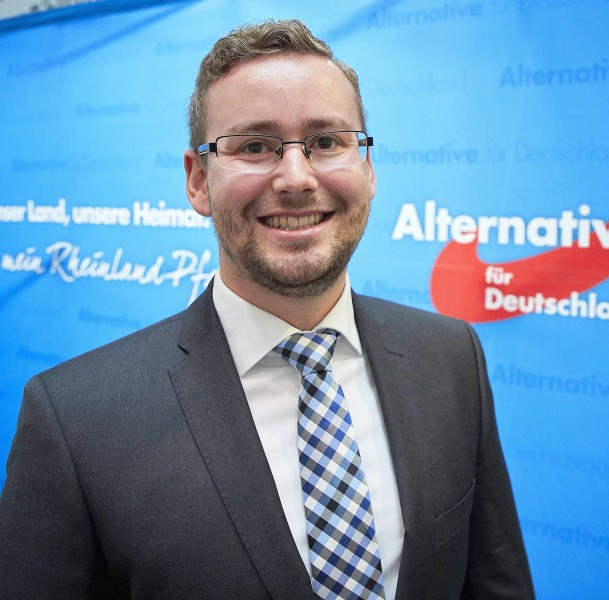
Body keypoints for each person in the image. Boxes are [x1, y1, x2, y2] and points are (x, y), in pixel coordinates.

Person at [0, 18, 534, 600]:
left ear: (368, 167)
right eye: (255, 146)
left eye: (328, 142)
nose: (296, 178)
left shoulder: (451, 356)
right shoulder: (75, 421)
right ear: (198, 180)